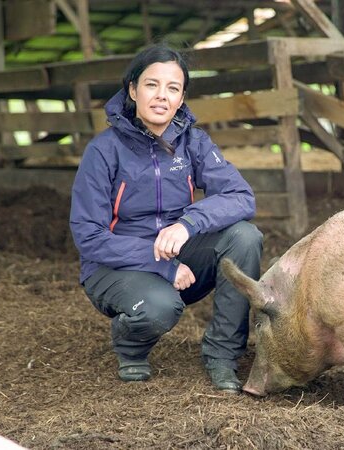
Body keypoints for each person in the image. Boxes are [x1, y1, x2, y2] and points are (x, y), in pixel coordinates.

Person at [69, 43, 263, 393]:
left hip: (177, 255)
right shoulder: (104, 150)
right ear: (132, 89)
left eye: (172, 88)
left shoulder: (194, 143)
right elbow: (89, 236)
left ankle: (222, 355)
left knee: (244, 237)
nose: (161, 96)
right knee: (160, 308)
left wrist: (188, 223)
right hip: (114, 266)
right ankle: (130, 343)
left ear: (182, 96)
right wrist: (163, 266)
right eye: (151, 84)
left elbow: (241, 197)